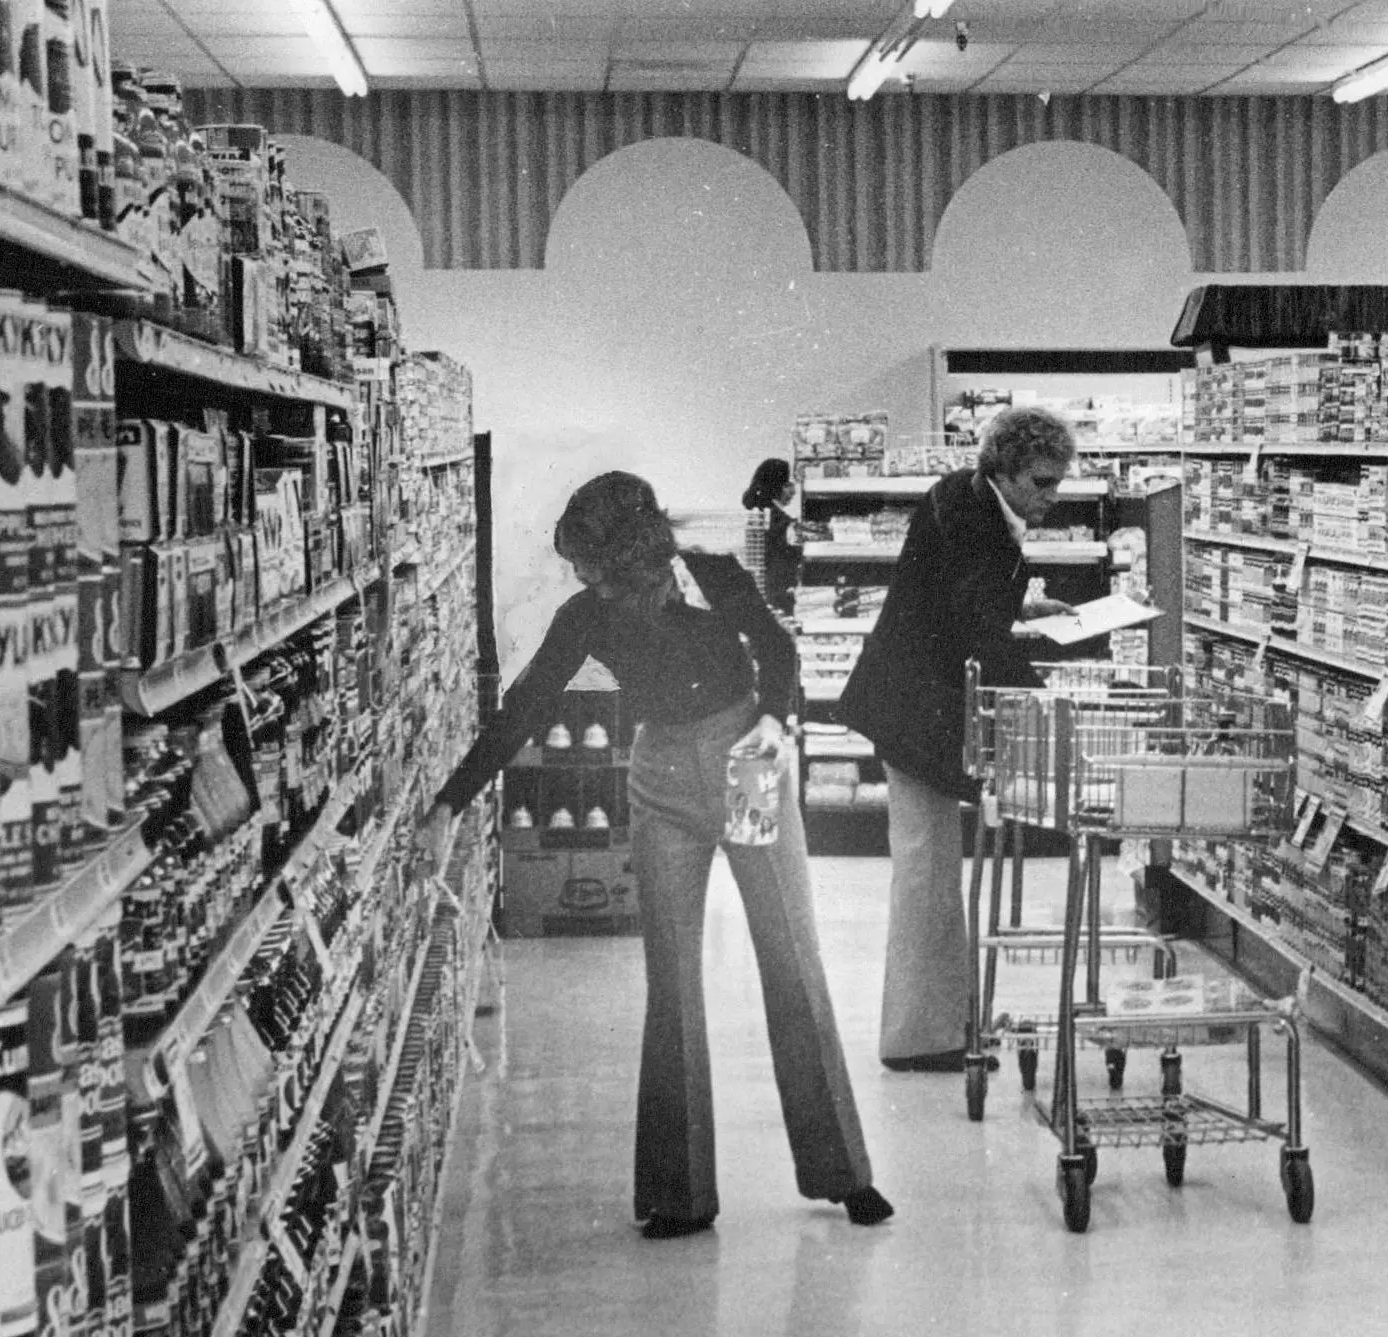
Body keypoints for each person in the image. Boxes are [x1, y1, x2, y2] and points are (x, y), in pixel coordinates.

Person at [420, 471, 891, 1238]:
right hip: (662, 778)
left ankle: (845, 1173)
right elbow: (528, 704)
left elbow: (777, 648)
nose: (578, 576)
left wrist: (776, 720)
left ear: (628, 552)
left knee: (791, 958)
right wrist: (450, 799)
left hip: (747, 760)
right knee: (671, 982)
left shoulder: (713, 576)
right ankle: (678, 1193)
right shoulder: (586, 616)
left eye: (587, 561)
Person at [838, 408, 1081, 1071]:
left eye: (1058, 484)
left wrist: (1021, 609)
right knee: (925, 873)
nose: (1051, 498)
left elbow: (957, 600)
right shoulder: (982, 527)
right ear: (1003, 469)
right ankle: (920, 1039)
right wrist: (1049, 701)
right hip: (915, 712)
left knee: (931, 869)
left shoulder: (963, 496)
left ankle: (941, 1024)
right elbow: (972, 630)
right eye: (1042, 483)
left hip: (914, 705)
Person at [741, 457, 802, 614]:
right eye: (787, 484)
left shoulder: (759, 514)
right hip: (778, 592)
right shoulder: (778, 520)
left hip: (768, 590)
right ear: (776, 486)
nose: (793, 490)